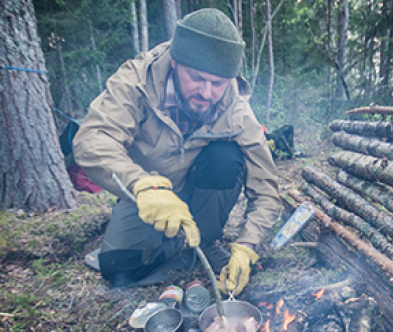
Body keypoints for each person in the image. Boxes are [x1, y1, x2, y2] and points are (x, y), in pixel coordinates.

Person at [73, 8, 282, 294]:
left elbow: (267, 187)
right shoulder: (137, 81)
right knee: (117, 267)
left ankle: (206, 241)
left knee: (225, 158)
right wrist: (142, 186)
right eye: (196, 77)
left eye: (218, 83)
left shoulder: (236, 108)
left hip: (200, 186)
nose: (207, 93)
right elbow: (93, 139)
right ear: (174, 63)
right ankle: (173, 243)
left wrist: (247, 246)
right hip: (150, 190)